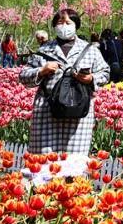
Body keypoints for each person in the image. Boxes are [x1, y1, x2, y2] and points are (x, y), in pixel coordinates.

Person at [18, 9, 110, 155]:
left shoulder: (90, 50)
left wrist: (91, 78)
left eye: (68, 22)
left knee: (74, 162)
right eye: (60, 22)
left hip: (78, 112)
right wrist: (41, 71)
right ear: (54, 26)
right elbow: (23, 76)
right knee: (43, 161)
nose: (64, 26)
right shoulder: (44, 50)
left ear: (76, 25)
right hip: (47, 110)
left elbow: (105, 73)